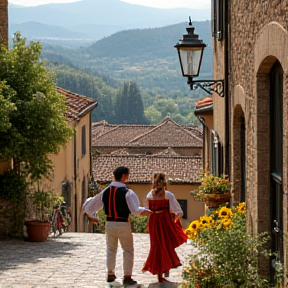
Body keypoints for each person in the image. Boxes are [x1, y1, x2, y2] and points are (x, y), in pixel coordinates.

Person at [82, 166, 151, 286]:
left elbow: (91, 204)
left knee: (111, 249)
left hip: (109, 223)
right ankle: (127, 277)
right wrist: (146, 210)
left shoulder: (105, 191)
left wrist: (90, 214)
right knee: (128, 250)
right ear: (124, 176)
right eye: (127, 175)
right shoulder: (127, 192)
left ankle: (110, 273)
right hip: (123, 223)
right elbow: (134, 209)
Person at [142, 173, 188, 282]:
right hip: (165, 223)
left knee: (156, 247)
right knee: (166, 246)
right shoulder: (168, 195)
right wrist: (174, 219)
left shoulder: (149, 195)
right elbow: (179, 212)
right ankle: (164, 273)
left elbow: (147, 210)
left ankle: (160, 276)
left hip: (153, 223)